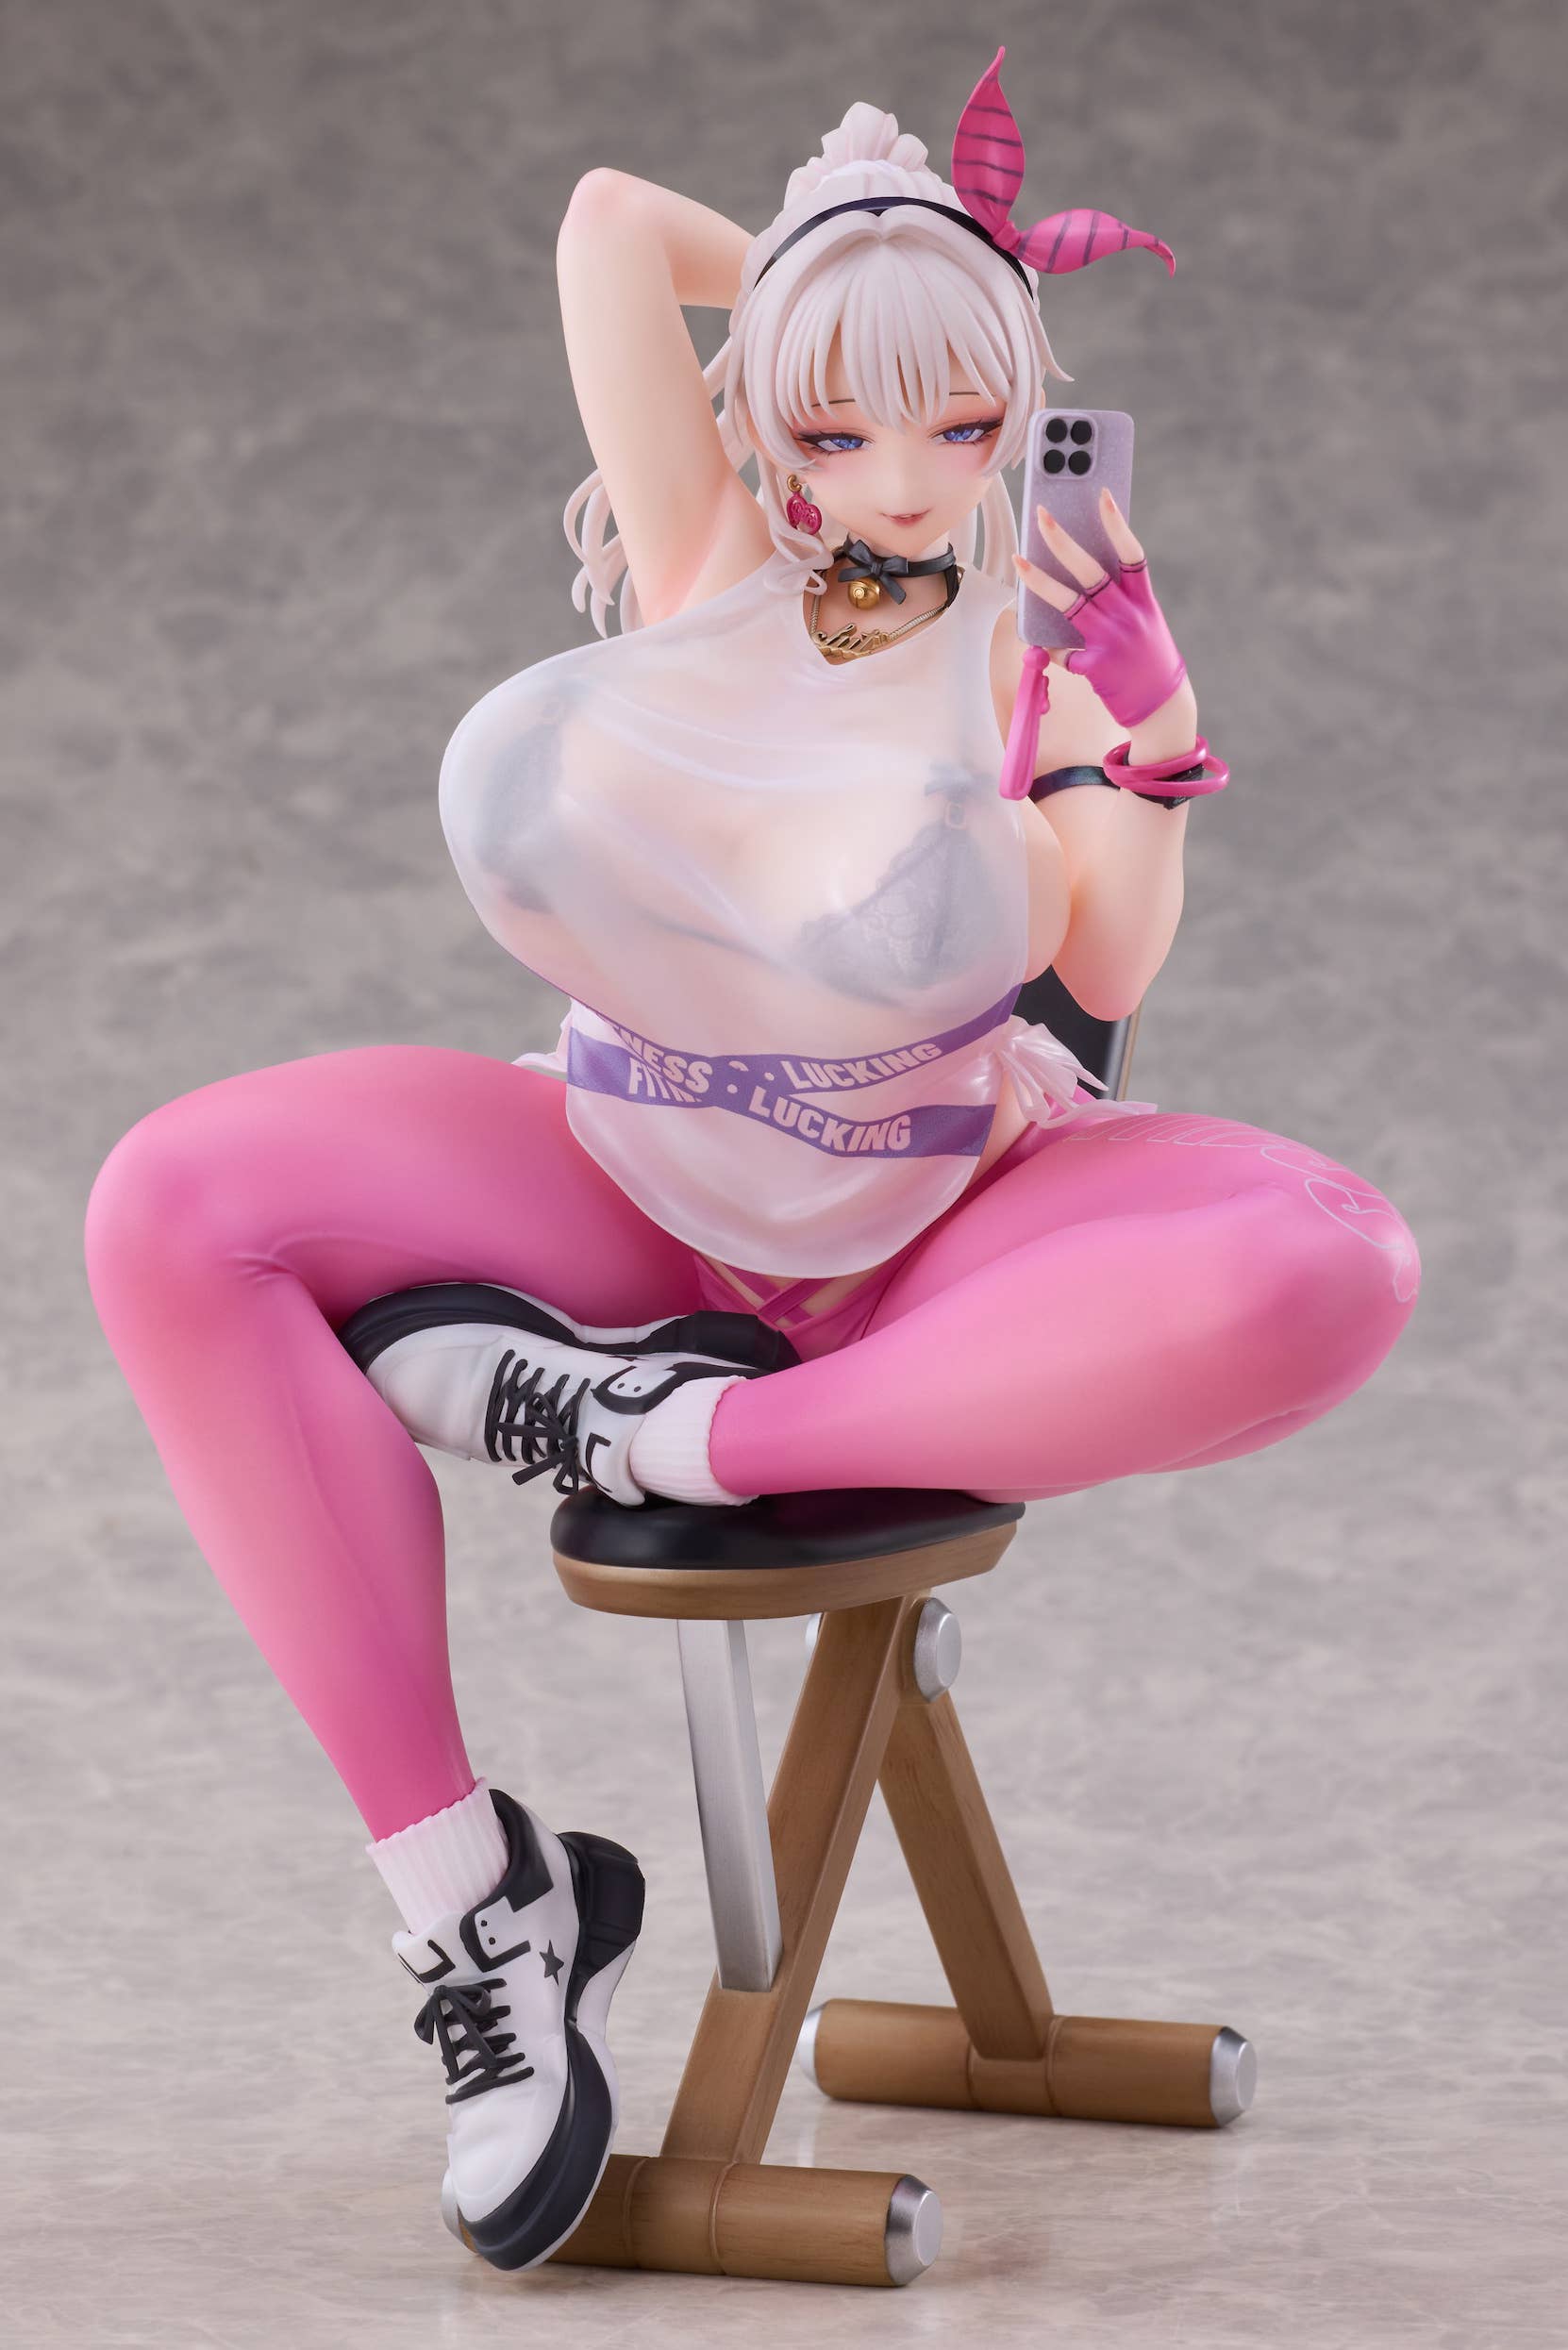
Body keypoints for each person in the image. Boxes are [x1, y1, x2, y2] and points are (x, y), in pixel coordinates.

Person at [83, 50, 1421, 2276]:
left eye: (961, 424)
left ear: (1021, 411)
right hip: (631, 1173)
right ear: (770, 414)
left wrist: (1151, 718)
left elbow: (1108, 959)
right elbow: (613, 221)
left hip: (931, 1243)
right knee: (169, 1208)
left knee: (1326, 1263)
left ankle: (684, 1432)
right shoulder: (711, 549)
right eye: (837, 425)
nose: (900, 479)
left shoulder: (1041, 648)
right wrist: (864, 251)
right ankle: (481, 1907)